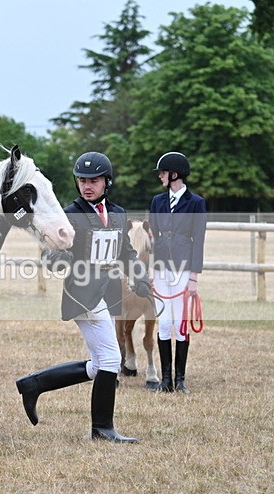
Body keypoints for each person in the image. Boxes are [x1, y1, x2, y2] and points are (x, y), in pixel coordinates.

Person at [15, 152, 151, 443]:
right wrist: (59, 257)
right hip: (82, 294)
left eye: (94, 180)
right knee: (112, 358)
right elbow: (50, 255)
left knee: (98, 364)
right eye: (82, 180)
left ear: (107, 182)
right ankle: (102, 428)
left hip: (107, 291)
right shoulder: (69, 215)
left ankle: (33, 384)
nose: (87, 186)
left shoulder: (118, 213)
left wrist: (139, 277)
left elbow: (125, 252)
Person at [149, 152, 207, 393]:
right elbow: (153, 235)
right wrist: (152, 268)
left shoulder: (196, 203)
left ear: (174, 174)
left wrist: (194, 276)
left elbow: (199, 239)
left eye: (163, 172)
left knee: (180, 324)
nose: (160, 176)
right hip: (161, 267)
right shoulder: (157, 201)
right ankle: (165, 380)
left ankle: (180, 379)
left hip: (183, 267)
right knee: (164, 323)